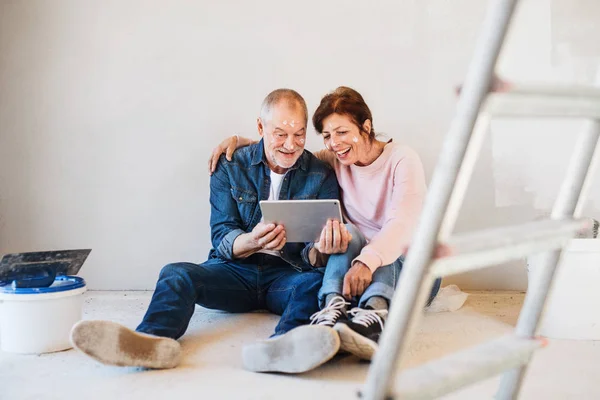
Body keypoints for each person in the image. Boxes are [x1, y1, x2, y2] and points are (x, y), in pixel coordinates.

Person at [70, 88, 352, 374]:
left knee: (316, 283)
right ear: (260, 127)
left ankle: (284, 346)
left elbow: (312, 254)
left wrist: (321, 250)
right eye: (280, 134)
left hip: (286, 276)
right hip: (233, 272)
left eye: (299, 134)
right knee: (176, 273)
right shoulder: (230, 164)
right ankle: (152, 341)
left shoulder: (321, 173)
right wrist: (251, 241)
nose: (291, 145)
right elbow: (221, 235)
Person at [209, 86, 442, 361]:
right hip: (357, 264)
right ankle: (332, 309)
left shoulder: (403, 159)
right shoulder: (336, 158)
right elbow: (286, 153)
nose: (334, 143)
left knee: (383, 247)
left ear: (365, 127)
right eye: (328, 136)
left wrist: (365, 262)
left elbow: (401, 224)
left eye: (342, 133)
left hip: (406, 261)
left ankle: (374, 317)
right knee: (345, 232)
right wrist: (242, 142)